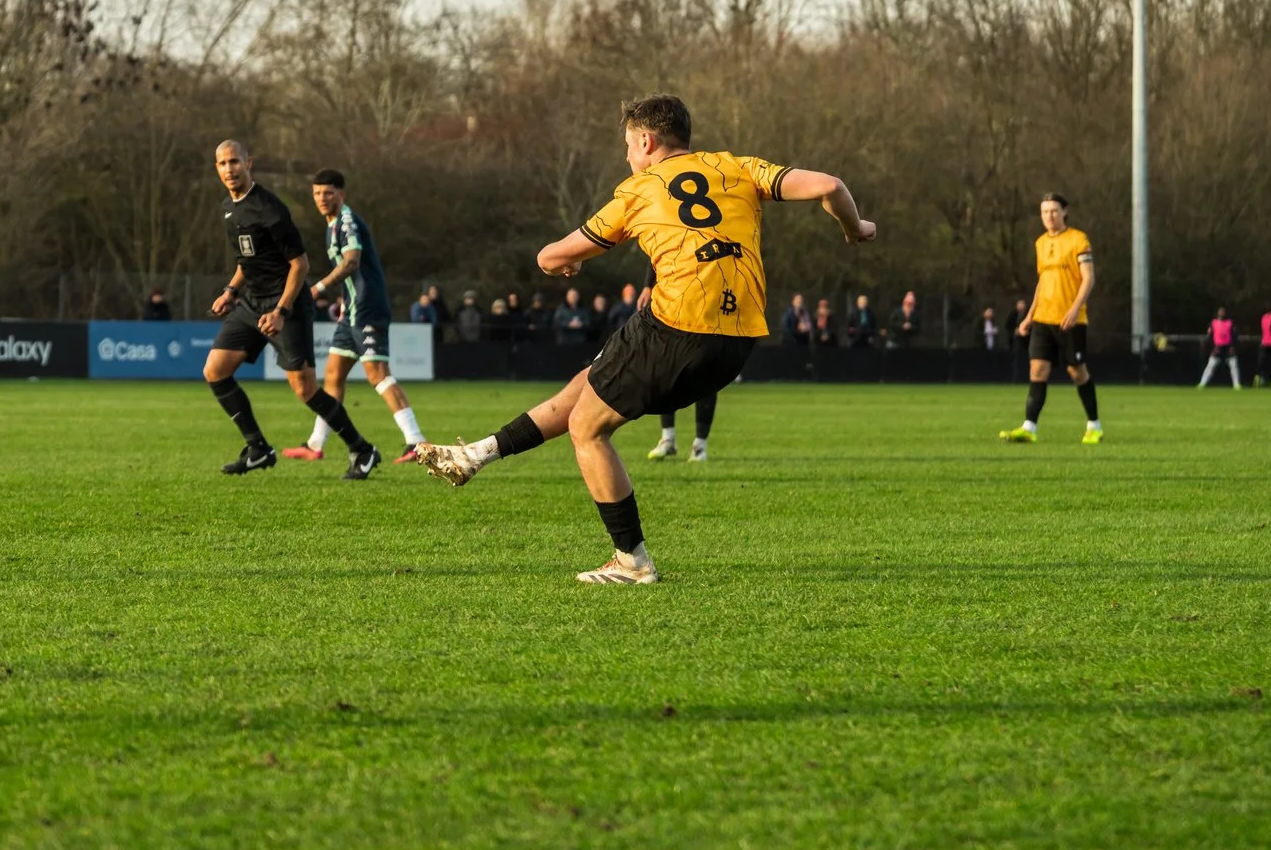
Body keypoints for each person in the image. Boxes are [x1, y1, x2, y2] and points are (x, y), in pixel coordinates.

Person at [414, 94, 875, 584]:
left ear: (646, 140)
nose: (627, 158)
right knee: (585, 386)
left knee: (587, 428)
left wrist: (561, 260)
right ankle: (477, 454)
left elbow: (551, 257)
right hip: (738, 338)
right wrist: (856, 227)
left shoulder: (637, 191)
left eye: (628, 147)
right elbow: (829, 185)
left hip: (676, 326)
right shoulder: (737, 167)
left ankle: (631, 562)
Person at [202, 141, 383, 479]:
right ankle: (258, 448)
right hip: (251, 303)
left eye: (235, 162)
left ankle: (362, 450)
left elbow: (300, 264)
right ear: (217, 168)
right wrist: (231, 290)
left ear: (248, 163)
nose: (230, 169)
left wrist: (281, 311)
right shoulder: (228, 207)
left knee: (305, 390)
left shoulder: (270, 208)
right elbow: (247, 260)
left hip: (287, 304)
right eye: (223, 163)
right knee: (215, 370)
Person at [282, 168, 426, 470]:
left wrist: (318, 287)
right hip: (352, 310)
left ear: (341, 195)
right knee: (333, 376)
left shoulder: (346, 221)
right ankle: (315, 444)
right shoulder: (332, 224)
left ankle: (417, 442)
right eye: (318, 193)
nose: (322, 198)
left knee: (377, 373)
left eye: (328, 193)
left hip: (367, 308)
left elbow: (352, 261)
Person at [1000, 193, 1103, 444]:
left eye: (1054, 211)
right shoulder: (1040, 243)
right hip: (1044, 319)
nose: (1049, 216)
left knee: (1077, 372)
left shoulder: (1078, 240)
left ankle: (1094, 426)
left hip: (1071, 320)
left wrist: (1074, 308)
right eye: (1045, 212)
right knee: (1037, 369)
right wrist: (1029, 316)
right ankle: (1029, 427)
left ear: (1064, 212)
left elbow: (1088, 278)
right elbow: (1043, 282)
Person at [1197, 307, 1242, 389]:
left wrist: (1232, 346)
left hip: (1228, 347)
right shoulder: (1213, 323)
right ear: (1218, 313)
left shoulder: (1230, 323)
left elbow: (1235, 336)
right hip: (1217, 347)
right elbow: (1210, 336)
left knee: (1233, 365)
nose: (1222, 313)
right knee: (1211, 365)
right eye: (1220, 312)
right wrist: (1213, 347)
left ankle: (1236, 385)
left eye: (1223, 312)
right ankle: (1202, 383)